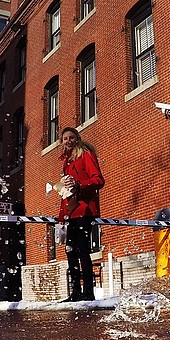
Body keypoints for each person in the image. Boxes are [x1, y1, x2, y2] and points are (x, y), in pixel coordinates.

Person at [58, 127, 105, 301]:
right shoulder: (66, 161)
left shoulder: (86, 155)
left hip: (85, 210)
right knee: (70, 251)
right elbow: (68, 192)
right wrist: (62, 217)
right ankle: (75, 292)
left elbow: (98, 180)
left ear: (77, 138)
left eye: (71, 138)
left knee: (83, 251)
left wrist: (79, 184)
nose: (68, 141)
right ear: (61, 142)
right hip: (71, 212)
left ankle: (88, 293)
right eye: (65, 139)